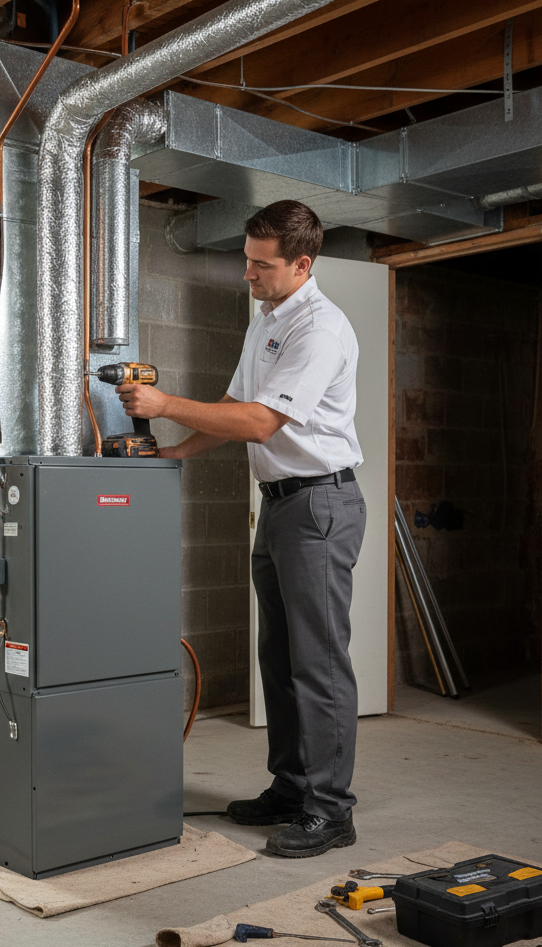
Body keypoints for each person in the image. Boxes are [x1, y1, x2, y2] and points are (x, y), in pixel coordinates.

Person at [116, 200, 366, 858]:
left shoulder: (320, 328)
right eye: (245, 261)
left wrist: (165, 404)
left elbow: (261, 423)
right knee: (279, 660)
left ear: (302, 264)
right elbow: (233, 406)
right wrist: (173, 452)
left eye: (261, 265)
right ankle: (291, 789)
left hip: (319, 506)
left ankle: (332, 809)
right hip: (280, 505)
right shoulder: (267, 320)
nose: (247, 274)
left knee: (319, 663)